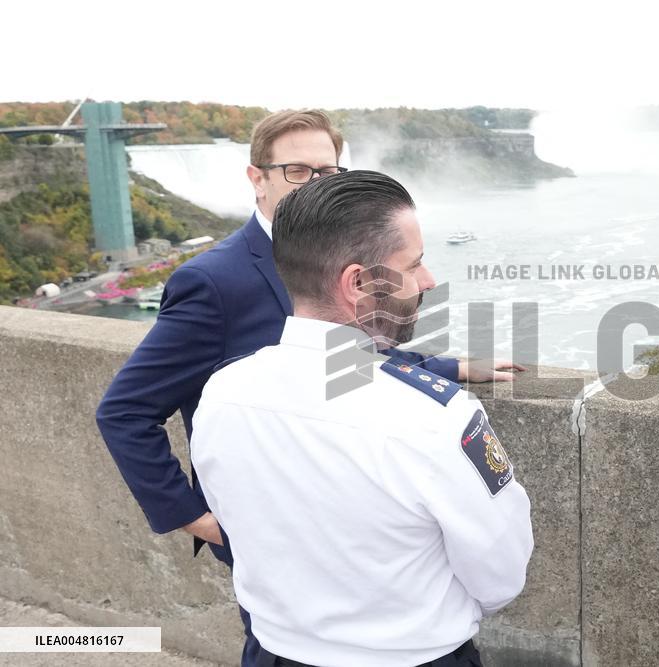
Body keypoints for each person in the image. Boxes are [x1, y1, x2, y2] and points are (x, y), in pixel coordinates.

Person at [95, 109, 519, 665]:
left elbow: (348, 358)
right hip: (275, 535)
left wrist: (451, 367)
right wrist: (191, 515)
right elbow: (125, 410)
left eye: (329, 173)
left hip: (363, 534)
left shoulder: (343, 258)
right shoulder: (213, 280)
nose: (316, 185)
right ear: (258, 178)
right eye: (299, 170)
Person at [191, 170, 533, 667]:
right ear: (358, 283)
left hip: (271, 652)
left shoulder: (222, 393)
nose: (428, 281)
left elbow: (234, 520)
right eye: (414, 265)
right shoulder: (434, 418)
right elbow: (500, 572)